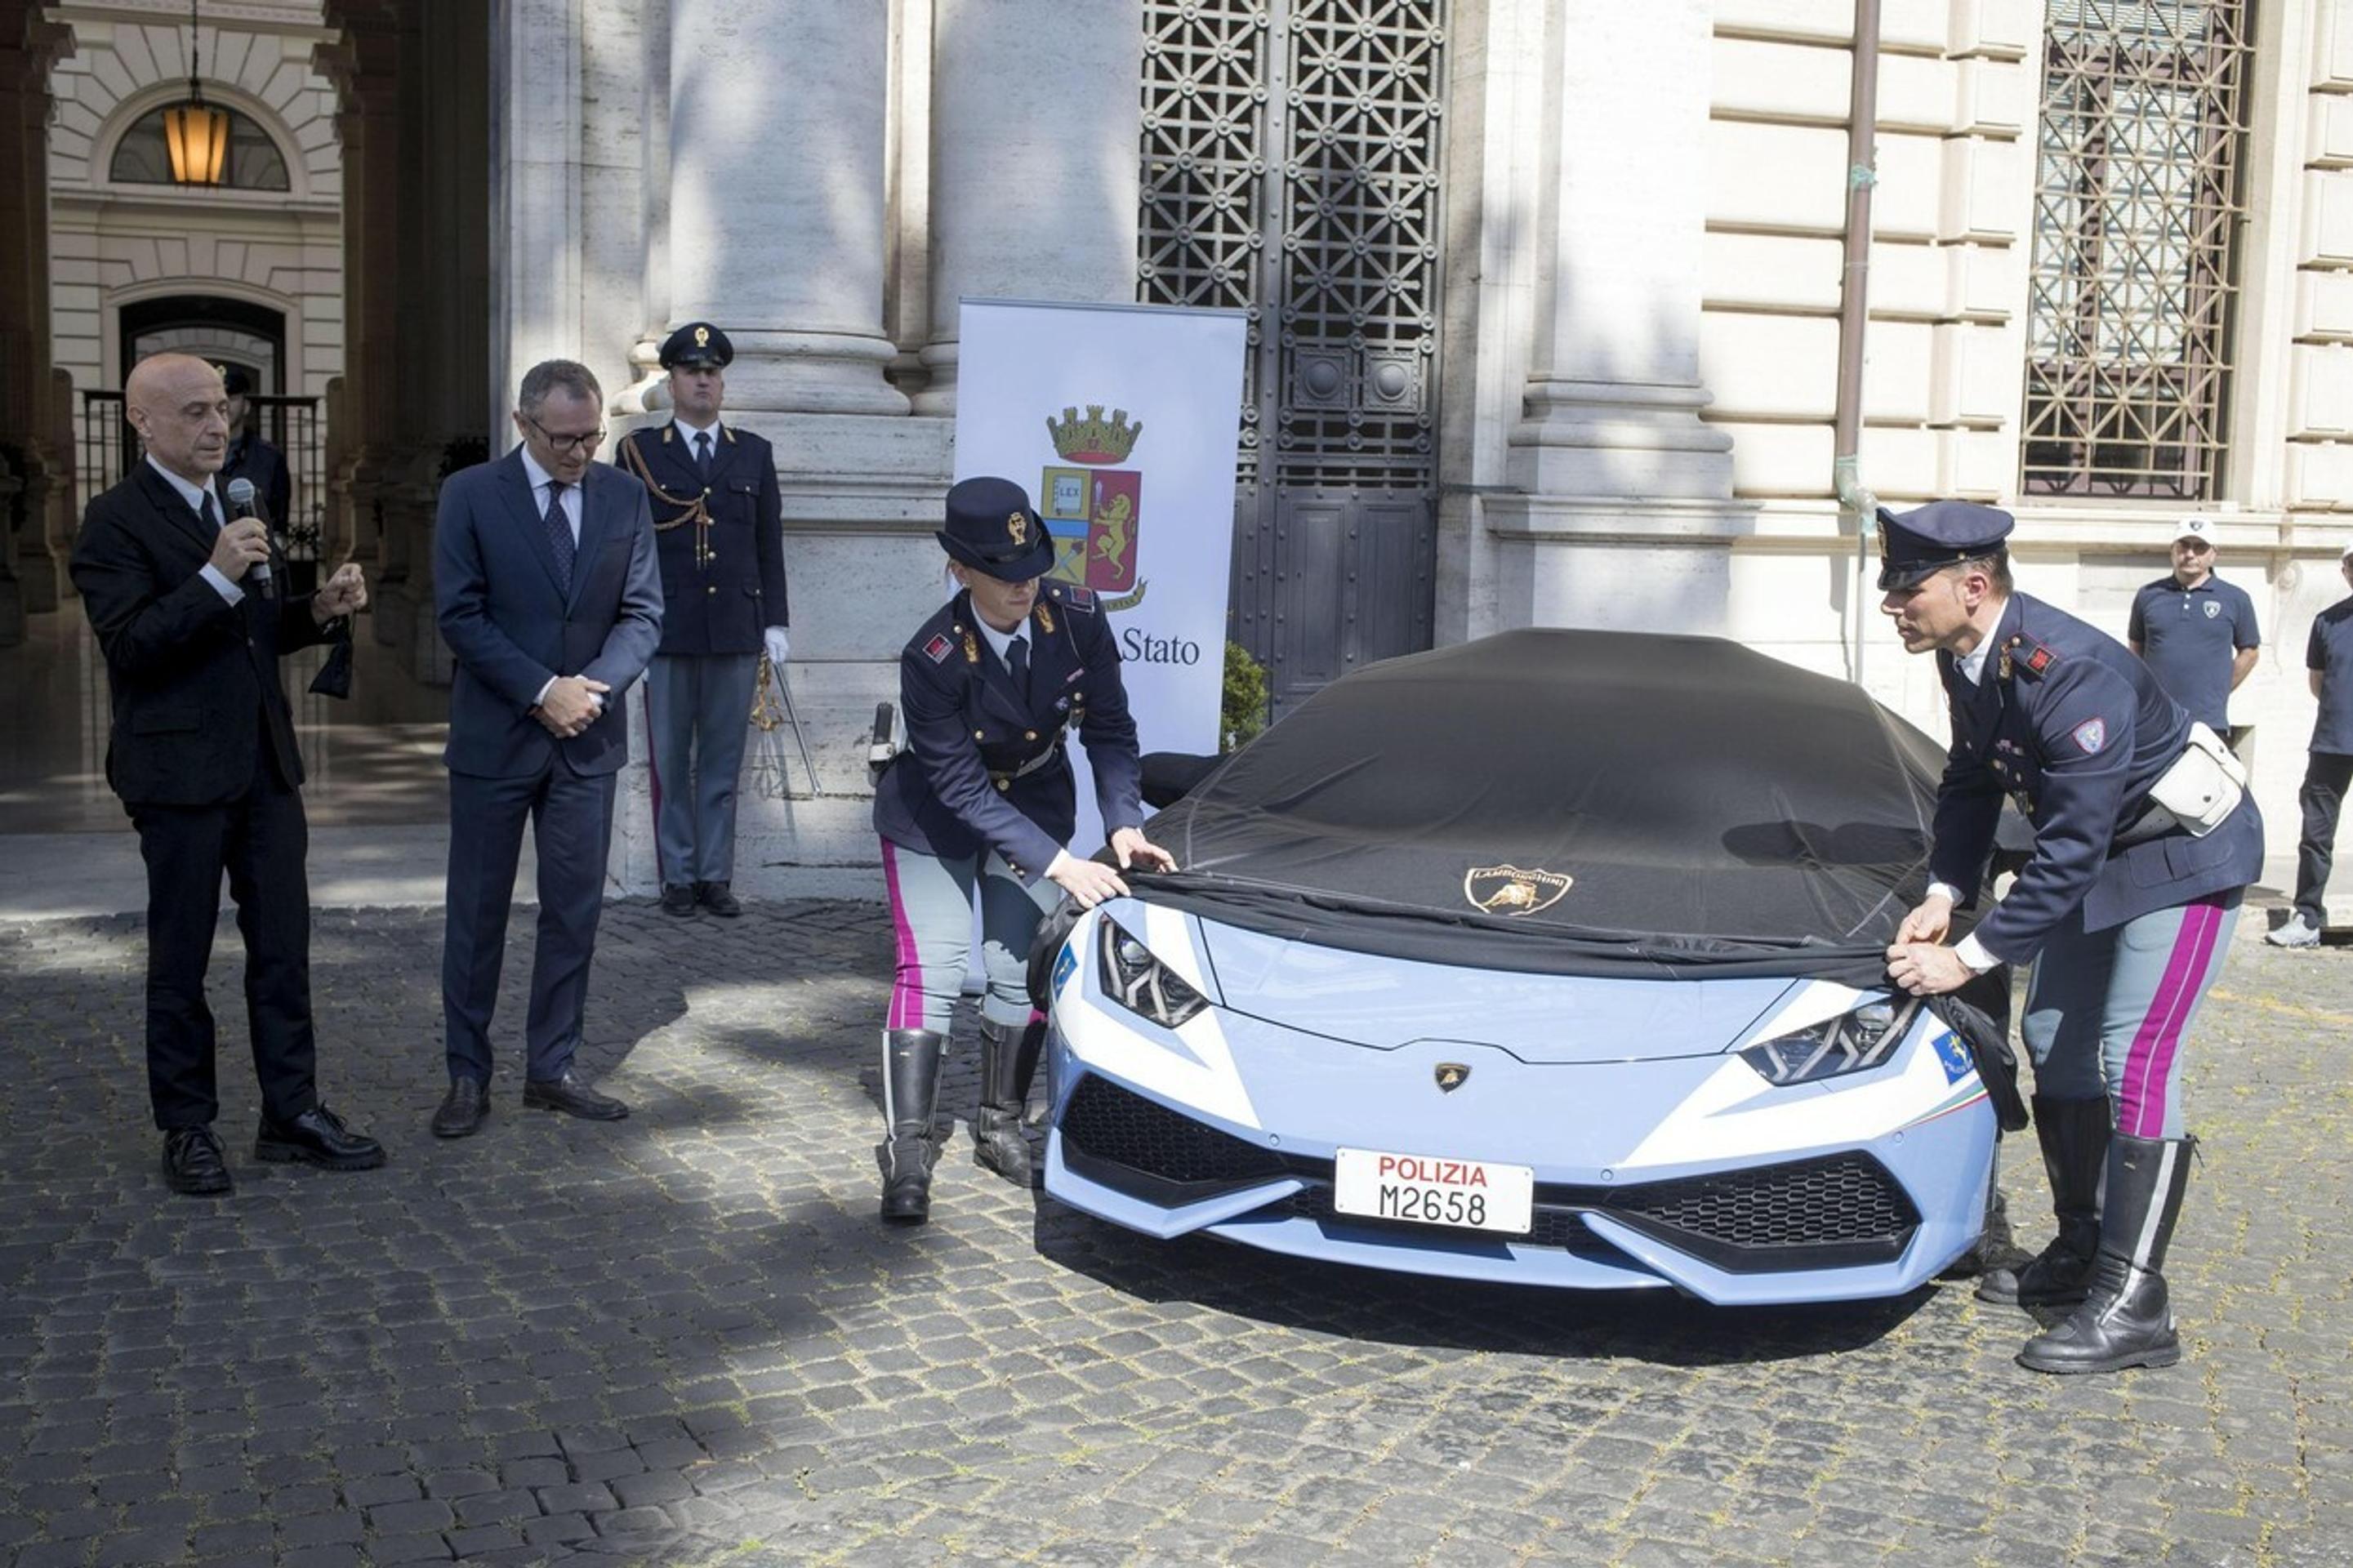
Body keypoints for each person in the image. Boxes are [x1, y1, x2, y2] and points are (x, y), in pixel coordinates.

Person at [1877, 501, 2262, 1375]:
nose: (1892, 605)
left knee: (2134, 1055)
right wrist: (1944, 890)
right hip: (2102, 856)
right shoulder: (1967, 655)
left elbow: (2068, 847)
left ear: (1973, 587)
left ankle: (2136, 1302)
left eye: (1907, 589)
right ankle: (2083, 1244)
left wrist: (1965, 957)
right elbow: (1971, 778)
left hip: (2185, 857)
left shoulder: (2069, 670)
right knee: (2051, 1035)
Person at [69, 353, 382, 1194]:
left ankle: (292, 1112)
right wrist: (215, 573)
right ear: (141, 422)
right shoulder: (113, 521)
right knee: (181, 957)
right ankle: (187, 1126)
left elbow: (253, 631)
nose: (218, 426)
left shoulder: (240, 503)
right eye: (195, 412)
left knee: (283, 948)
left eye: (221, 410)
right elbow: (132, 645)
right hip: (175, 771)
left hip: (264, 763)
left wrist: (316, 612)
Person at [869, 476, 1174, 1223]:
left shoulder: (1077, 617)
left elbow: (1110, 727)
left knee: (1018, 969)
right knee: (934, 968)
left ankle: (999, 1124)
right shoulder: (932, 656)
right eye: (1003, 573)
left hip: (1034, 799)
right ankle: (909, 1147)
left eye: (1032, 565)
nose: (1023, 584)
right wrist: (1063, 864)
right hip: (933, 816)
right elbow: (961, 787)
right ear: (959, 570)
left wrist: (1122, 820)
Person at [429, 359, 663, 1138]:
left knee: (573, 913)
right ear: (523, 424)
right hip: (495, 739)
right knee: (476, 914)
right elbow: (460, 616)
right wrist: (541, 691)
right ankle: (468, 1074)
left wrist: (589, 692)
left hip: (586, 740)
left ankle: (551, 1068)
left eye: (591, 436)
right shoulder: (469, 494)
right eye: (563, 439)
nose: (579, 452)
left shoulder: (624, 495)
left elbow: (642, 615)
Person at [612, 323, 790, 918]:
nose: (704, 381)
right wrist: (627, 631)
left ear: (723, 382)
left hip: (735, 627)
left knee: (720, 762)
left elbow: (768, 544)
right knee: (669, 760)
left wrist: (776, 622)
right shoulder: (639, 452)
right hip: (666, 630)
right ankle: (678, 876)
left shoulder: (753, 452)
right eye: (692, 372)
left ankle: (715, 875)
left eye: (712, 372)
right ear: (673, 382)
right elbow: (624, 548)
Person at [2269, 541, 2353, 948]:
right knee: (2316, 835)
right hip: (2331, 743)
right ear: (2345, 571)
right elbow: (2318, 684)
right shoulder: (2327, 622)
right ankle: (2307, 917)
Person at [2126, 515, 2259, 736]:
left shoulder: (2236, 598)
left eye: (2200, 548)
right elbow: (2135, 649)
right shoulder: (2148, 595)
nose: (2190, 554)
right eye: (2184, 546)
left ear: (2214, 554)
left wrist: (2220, 689)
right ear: (2172, 550)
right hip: (2155, 719)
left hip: (2208, 722)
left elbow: (2250, 653)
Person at [217, 365, 292, 542]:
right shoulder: (191, 456)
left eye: (232, 398)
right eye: (219, 400)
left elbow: (279, 525)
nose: (225, 406)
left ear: (246, 406)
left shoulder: (270, 458)